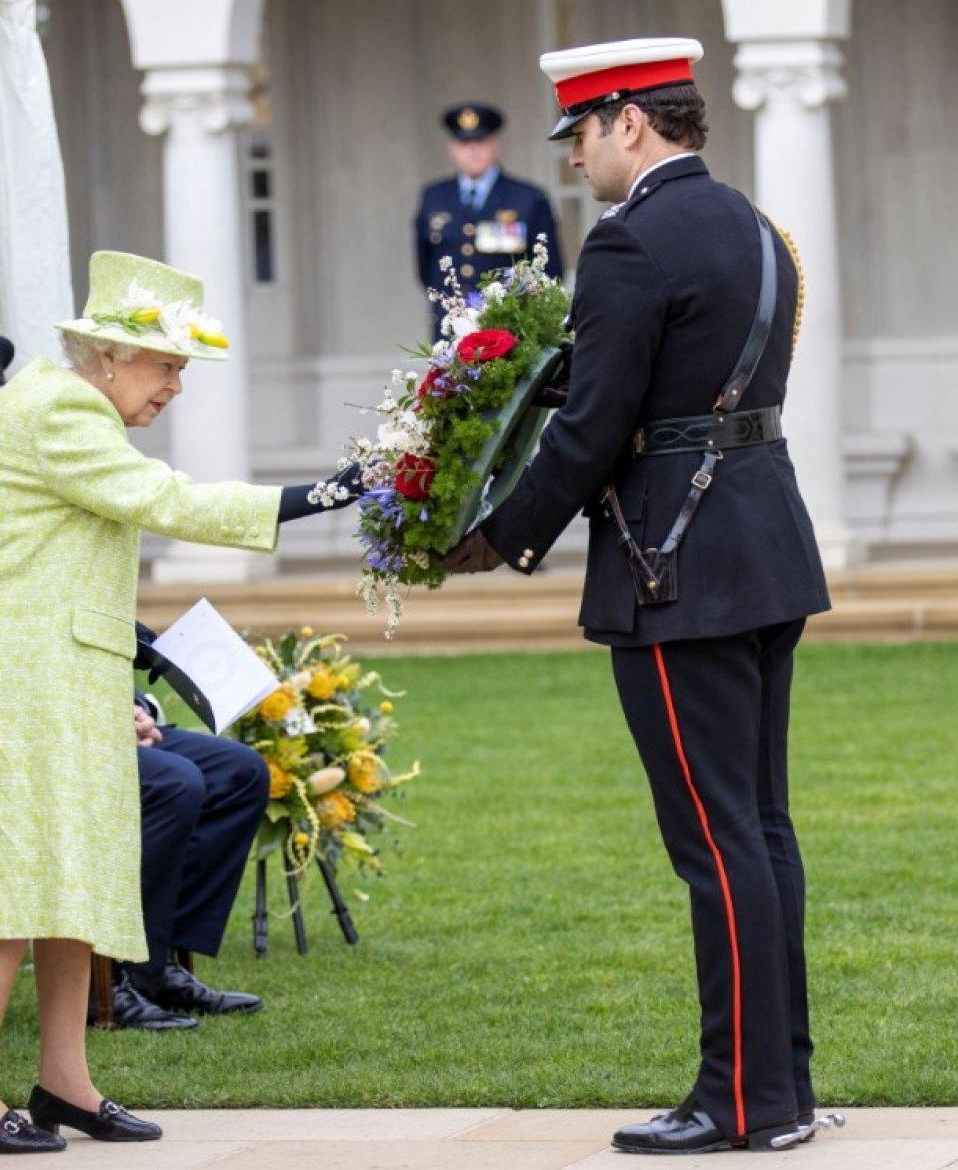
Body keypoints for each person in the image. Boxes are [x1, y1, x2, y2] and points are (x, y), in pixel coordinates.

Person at [445, 39, 831, 1155]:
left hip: (678, 564)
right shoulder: (758, 226)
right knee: (759, 829)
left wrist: (497, 535)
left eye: (581, 134)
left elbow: (594, 424)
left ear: (629, 122)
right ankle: (785, 1090)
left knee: (715, 845)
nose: (573, 159)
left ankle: (743, 1104)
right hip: (762, 542)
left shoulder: (628, 245)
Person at [0, 253, 359, 1155]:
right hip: (18, 683)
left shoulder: (57, 403)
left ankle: (64, 1083)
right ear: (109, 357)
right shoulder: (64, 410)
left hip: (49, 675)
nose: (176, 388)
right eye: (166, 367)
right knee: (13, 879)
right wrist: (321, 495)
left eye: (182, 371)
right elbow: (168, 499)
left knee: (76, 871)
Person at [0, 333, 267, 1037]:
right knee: (174, 783)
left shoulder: (29, 480)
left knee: (236, 769)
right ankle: (114, 977)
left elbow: (62, 604)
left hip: (73, 703)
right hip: (3, 734)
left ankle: (155, 961)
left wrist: (134, 701)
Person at [414, 103, 563, 339]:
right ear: (451, 148)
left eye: (480, 142)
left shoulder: (528, 198)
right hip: (450, 332)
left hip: (508, 331)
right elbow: (425, 269)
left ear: (495, 144)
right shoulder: (433, 197)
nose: (473, 150)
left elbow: (549, 270)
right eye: (464, 144)